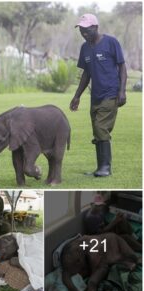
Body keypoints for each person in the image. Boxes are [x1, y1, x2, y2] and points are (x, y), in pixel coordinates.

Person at [70, 14, 127, 177]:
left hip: (111, 93)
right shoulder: (85, 48)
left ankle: (105, 168)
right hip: (95, 96)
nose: (83, 33)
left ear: (95, 27)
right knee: (97, 129)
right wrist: (77, 96)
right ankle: (100, 167)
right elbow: (86, 73)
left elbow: (122, 67)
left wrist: (122, 91)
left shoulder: (111, 42)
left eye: (86, 30)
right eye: (81, 30)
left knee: (101, 128)